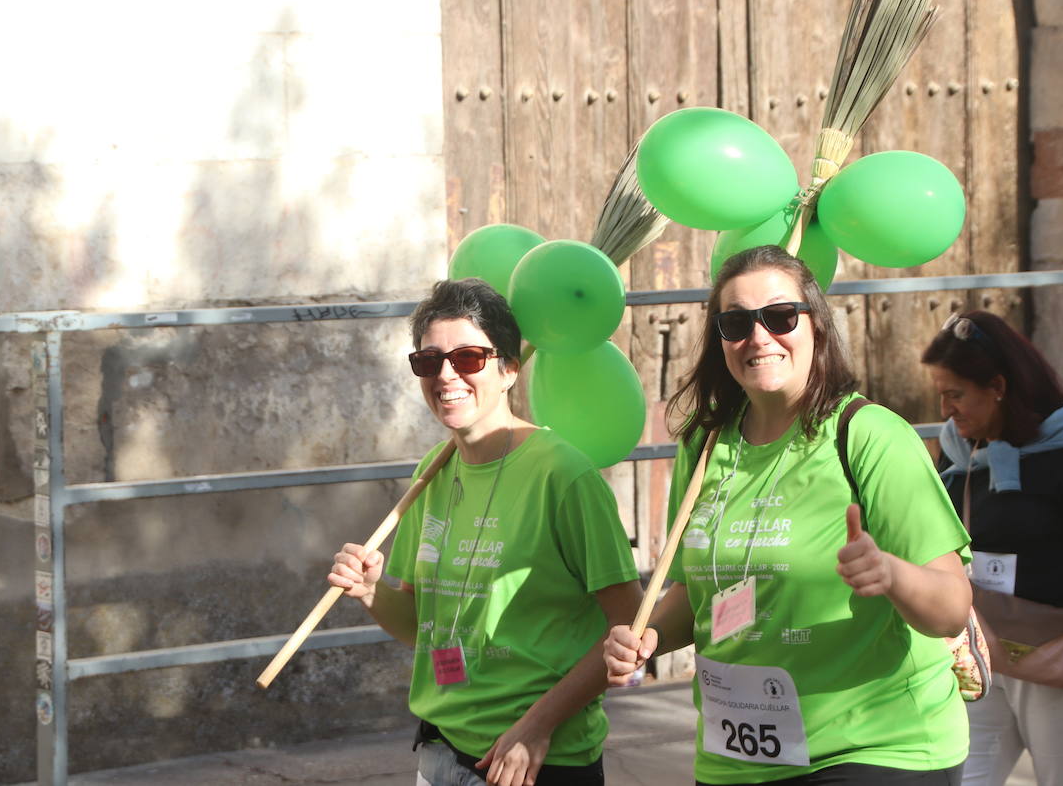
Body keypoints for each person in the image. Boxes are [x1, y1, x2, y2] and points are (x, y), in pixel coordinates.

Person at [604, 245, 973, 785]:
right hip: (738, 759)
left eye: (780, 317)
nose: (759, 337)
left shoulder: (870, 436)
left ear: (817, 327)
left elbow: (951, 608)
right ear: (720, 340)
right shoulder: (705, 446)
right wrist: (648, 635)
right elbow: (694, 594)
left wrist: (891, 573)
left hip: (873, 749)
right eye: (736, 323)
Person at [328, 278, 643, 786]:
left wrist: (537, 726)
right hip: (441, 751)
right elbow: (419, 624)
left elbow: (628, 625)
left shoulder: (563, 476)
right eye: (429, 362)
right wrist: (369, 593)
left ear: (509, 368)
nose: (446, 375)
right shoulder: (432, 471)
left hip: (537, 761)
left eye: (469, 358)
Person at [921, 311, 1063, 786]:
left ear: (997, 385)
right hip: (979, 655)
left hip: (1061, 663)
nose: (945, 410)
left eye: (955, 394)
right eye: (940, 394)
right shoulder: (959, 453)